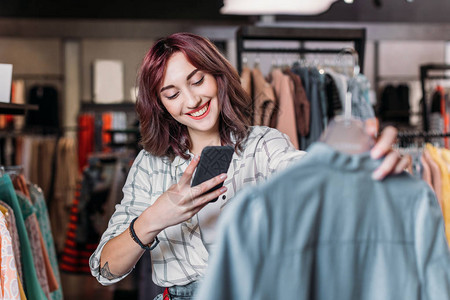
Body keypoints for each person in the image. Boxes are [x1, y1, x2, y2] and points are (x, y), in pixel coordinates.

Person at [89, 32, 410, 300]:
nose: (191, 101)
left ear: (217, 75)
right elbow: (104, 269)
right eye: (172, 94)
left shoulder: (263, 146)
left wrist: (367, 167)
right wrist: (153, 219)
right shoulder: (151, 165)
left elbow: (317, 179)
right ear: (161, 105)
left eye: (197, 80)